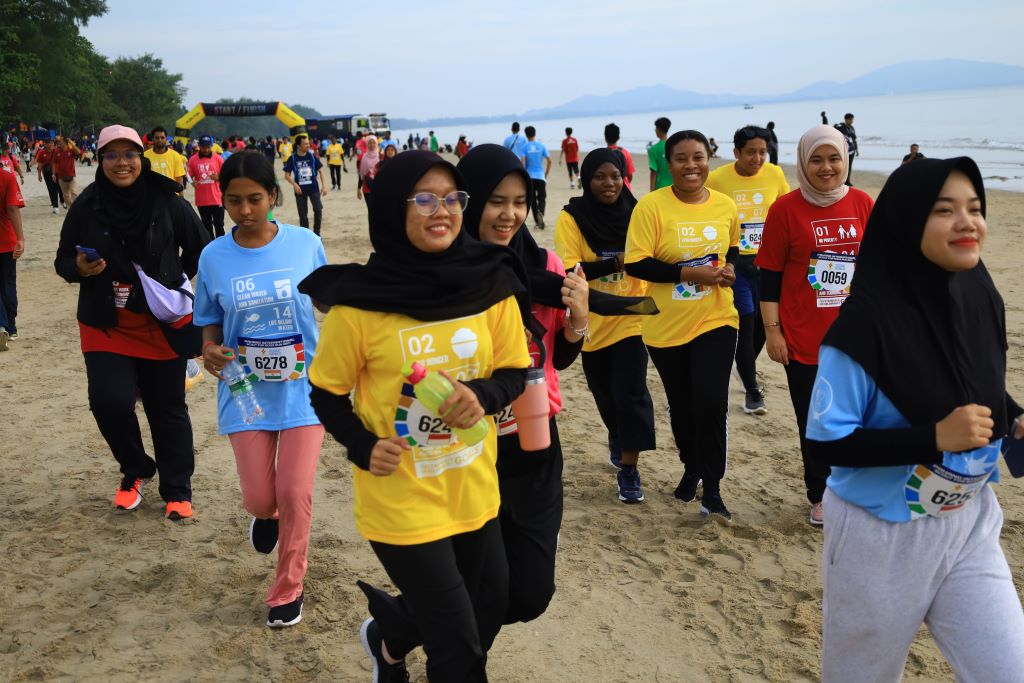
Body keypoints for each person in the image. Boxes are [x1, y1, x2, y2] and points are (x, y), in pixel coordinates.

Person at [301, 150, 532, 681]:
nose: (442, 211)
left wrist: (484, 394)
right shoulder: (359, 308)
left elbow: (515, 370)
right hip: (401, 500)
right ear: (390, 209)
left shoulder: (489, 282)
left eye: (452, 198)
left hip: (474, 488)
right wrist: (361, 445)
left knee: (489, 605)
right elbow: (325, 394)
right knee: (458, 647)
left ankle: (389, 636)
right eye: (424, 199)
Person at [807, 157, 1024, 681]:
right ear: (907, 221)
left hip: (969, 519)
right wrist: (932, 438)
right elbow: (825, 445)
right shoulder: (863, 326)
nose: (968, 222)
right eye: (945, 210)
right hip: (879, 534)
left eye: (975, 208)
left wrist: (1014, 418)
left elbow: (977, 384)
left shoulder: (978, 292)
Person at [195, 151, 327, 629]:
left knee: (295, 491)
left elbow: (326, 299)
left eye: (255, 199)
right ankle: (264, 517)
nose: (246, 210)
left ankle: (287, 590)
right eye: (234, 201)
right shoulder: (213, 256)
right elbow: (207, 322)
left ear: (274, 196)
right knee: (259, 498)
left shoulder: (306, 243)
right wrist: (208, 350)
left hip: (303, 389)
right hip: (245, 388)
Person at [53, 124, 210, 518]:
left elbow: (201, 251)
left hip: (161, 323)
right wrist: (82, 269)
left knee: (167, 406)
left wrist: (174, 284)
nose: (121, 163)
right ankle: (136, 468)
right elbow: (62, 261)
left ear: (142, 157)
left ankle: (177, 488)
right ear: (100, 159)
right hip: (105, 321)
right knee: (109, 402)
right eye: (111, 155)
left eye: (129, 154)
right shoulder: (87, 204)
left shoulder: (167, 201)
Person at [755, 125, 874, 526]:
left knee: (859, 416)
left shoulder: (862, 203)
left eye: (834, 158)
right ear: (803, 163)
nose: (826, 167)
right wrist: (773, 332)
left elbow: (877, 270)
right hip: (805, 338)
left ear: (846, 159)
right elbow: (768, 276)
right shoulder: (785, 210)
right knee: (815, 419)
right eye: (816, 159)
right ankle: (820, 493)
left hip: (857, 337)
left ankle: (854, 487)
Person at [625, 130, 740, 519]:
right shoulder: (651, 207)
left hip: (717, 318)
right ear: (667, 163)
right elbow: (637, 263)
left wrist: (729, 271)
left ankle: (713, 487)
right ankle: (691, 465)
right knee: (682, 404)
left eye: (699, 157)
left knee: (711, 401)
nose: (691, 165)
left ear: (710, 158)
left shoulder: (725, 205)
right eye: (681, 159)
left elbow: (733, 248)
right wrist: (689, 274)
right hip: (665, 325)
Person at [556, 149, 657, 504]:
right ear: (587, 179)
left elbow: (654, 257)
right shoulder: (572, 218)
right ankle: (617, 433)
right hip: (593, 320)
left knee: (631, 393)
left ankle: (630, 470)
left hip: (633, 314)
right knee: (606, 397)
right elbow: (572, 272)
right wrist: (617, 261)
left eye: (615, 176)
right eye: (600, 176)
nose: (609, 183)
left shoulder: (639, 211)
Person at [707, 126, 791, 415]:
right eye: (751, 152)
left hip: (768, 263)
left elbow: (784, 210)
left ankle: (744, 367)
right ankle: (753, 391)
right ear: (736, 153)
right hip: (737, 265)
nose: (758, 158)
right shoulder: (717, 179)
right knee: (747, 321)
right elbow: (709, 216)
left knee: (765, 326)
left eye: (762, 152)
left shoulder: (775, 174)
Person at [0, 161, 25, 349]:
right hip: (6, 240)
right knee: (8, 282)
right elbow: (12, 208)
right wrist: (21, 238)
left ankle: (2, 326)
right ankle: (12, 327)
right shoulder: (7, 177)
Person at [282, 135, 327, 236]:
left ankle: (316, 234)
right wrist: (295, 185)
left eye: (308, 143)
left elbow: (321, 170)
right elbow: (286, 175)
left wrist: (324, 186)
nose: (308, 145)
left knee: (318, 209)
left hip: (313, 188)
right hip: (300, 190)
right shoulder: (292, 158)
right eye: (305, 144)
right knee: (303, 215)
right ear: (298, 145)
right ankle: (306, 235)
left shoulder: (311, 156)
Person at [187, 136, 225, 238]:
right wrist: (191, 182)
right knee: (206, 226)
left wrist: (218, 178)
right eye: (204, 147)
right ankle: (210, 248)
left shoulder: (218, 158)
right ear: (199, 146)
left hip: (217, 199)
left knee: (219, 225)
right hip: (202, 200)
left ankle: (221, 248)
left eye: (208, 147)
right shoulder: (193, 159)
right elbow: (187, 174)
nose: (206, 149)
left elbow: (227, 174)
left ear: (211, 146)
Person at [520, 126, 551, 230]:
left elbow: (523, 163)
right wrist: (546, 173)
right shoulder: (541, 145)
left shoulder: (525, 147)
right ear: (535, 133)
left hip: (530, 177)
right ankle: (541, 212)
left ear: (526, 134)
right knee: (542, 198)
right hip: (541, 176)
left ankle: (537, 222)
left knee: (532, 200)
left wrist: (523, 175)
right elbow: (549, 161)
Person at [36, 138, 65, 214]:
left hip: (57, 172)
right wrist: (39, 175)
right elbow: (40, 165)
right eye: (49, 143)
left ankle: (62, 200)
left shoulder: (56, 150)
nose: (51, 144)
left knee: (60, 187)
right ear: (45, 144)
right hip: (47, 173)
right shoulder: (42, 152)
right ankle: (55, 206)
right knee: (52, 189)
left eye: (52, 143)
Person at [52, 136, 81, 206]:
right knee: (65, 196)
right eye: (58, 142)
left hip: (71, 176)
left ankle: (76, 208)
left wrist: (71, 142)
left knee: (74, 193)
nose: (58, 143)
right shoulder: (56, 151)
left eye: (60, 141)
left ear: (65, 142)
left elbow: (78, 152)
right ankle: (72, 209)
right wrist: (53, 174)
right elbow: (54, 163)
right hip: (61, 177)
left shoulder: (71, 150)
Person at [604, 123, 635, 188]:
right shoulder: (625, 153)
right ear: (618, 137)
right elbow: (629, 175)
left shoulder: (602, 153)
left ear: (605, 137)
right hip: (625, 188)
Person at [833, 113, 858, 186]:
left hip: (852, 151)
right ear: (846, 119)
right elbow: (833, 132)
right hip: (843, 151)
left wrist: (857, 150)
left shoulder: (852, 128)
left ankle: (847, 181)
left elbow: (854, 140)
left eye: (852, 119)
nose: (852, 121)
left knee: (849, 167)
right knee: (842, 167)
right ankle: (840, 181)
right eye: (851, 119)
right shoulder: (841, 127)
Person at [649, 117, 672, 191]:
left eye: (655, 128)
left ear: (658, 129)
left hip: (659, 188)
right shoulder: (674, 146)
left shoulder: (653, 149)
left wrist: (651, 191)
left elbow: (653, 171)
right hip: (675, 187)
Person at [356, 135, 381, 202]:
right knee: (370, 209)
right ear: (367, 144)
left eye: (373, 142)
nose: (372, 144)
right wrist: (359, 189)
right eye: (370, 143)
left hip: (379, 186)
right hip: (367, 187)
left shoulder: (380, 156)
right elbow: (361, 175)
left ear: (376, 143)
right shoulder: (364, 157)